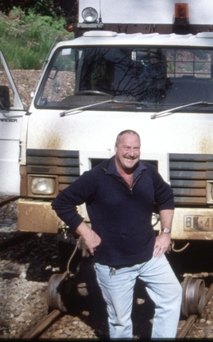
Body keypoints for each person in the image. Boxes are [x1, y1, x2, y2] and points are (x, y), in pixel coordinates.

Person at [52, 130, 182, 337]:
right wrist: (86, 233)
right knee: (120, 321)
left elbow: (166, 196)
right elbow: (61, 203)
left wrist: (165, 232)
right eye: (126, 148)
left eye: (136, 148)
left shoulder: (147, 172)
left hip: (151, 256)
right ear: (116, 148)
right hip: (114, 264)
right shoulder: (95, 177)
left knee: (172, 296)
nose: (131, 153)